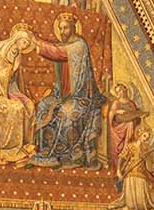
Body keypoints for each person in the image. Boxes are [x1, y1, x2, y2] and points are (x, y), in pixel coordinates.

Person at [31, 12, 105, 168]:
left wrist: (37, 42)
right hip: (62, 94)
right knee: (44, 105)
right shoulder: (64, 44)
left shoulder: (79, 45)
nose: (63, 31)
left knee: (67, 112)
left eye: (66, 28)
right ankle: (44, 150)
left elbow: (57, 52)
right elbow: (57, 48)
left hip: (81, 95)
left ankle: (67, 156)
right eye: (61, 28)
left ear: (73, 28)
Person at [0, 29, 36, 164]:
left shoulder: (17, 54)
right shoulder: (1, 50)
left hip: (9, 90)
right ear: (17, 38)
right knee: (17, 108)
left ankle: (26, 144)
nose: (25, 45)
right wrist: (10, 69)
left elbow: (13, 79)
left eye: (27, 44)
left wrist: (14, 68)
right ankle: (9, 148)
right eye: (24, 42)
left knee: (30, 106)